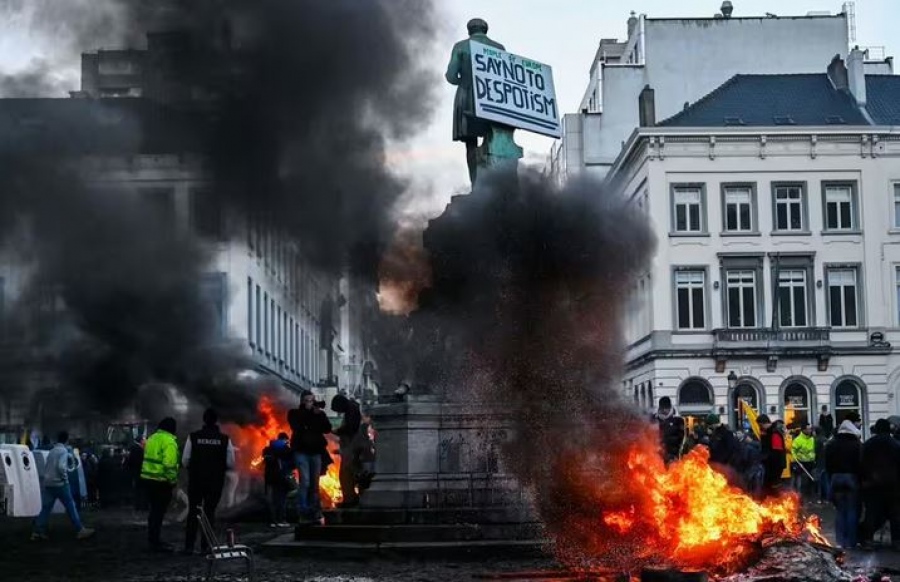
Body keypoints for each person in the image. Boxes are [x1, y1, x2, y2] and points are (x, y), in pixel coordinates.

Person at [445, 18, 506, 185]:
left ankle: (476, 185)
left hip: (466, 98)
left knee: (470, 144)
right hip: (493, 99)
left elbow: (451, 75)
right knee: (492, 140)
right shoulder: (499, 48)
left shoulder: (460, 46)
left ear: (469, 30)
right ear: (485, 30)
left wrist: (463, 81)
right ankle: (493, 185)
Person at [182, 408, 235, 555]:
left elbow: (185, 460)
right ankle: (206, 547)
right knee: (209, 513)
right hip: (215, 482)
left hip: (196, 481)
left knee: (193, 512)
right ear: (216, 420)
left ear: (204, 420)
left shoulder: (193, 437)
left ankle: (189, 547)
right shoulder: (225, 439)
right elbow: (230, 463)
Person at [31, 431, 95, 541]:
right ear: (66, 440)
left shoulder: (52, 451)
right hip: (60, 484)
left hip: (48, 484)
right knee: (71, 506)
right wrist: (65, 479)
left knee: (46, 509)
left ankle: (37, 531)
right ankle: (80, 530)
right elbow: (61, 467)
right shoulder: (63, 451)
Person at [287, 390, 332, 524]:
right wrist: (310, 414)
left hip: (316, 452)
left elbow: (327, 428)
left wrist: (318, 415)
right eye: (307, 400)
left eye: (312, 400)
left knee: (315, 484)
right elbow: (297, 427)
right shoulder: (294, 413)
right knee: (305, 482)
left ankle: (315, 511)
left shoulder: (318, 414)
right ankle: (303, 511)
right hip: (301, 451)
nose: (310, 403)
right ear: (302, 401)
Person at [859, 418, 900, 549]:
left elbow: (861, 463)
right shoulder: (895, 444)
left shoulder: (868, 444)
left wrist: (864, 480)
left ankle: (868, 540)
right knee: (895, 513)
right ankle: (897, 541)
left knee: (871, 512)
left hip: (872, 484)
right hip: (893, 484)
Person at [140, 417, 179, 552]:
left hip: (147, 480)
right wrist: (173, 480)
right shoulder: (169, 442)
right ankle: (155, 541)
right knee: (159, 512)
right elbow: (169, 464)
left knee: (153, 512)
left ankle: (152, 538)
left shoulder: (151, 439)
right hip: (161, 482)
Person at [825, 414, 863, 549]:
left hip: (836, 478)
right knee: (852, 510)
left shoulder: (832, 444)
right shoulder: (856, 444)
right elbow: (860, 463)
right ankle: (851, 541)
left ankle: (840, 542)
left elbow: (827, 463)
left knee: (840, 510)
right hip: (851, 477)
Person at [331, 393, 363, 508]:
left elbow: (350, 428)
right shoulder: (352, 408)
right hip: (350, 447)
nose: (339, 412)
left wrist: (337, 431)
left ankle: (349, 499)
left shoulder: (351, 410)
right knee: (348, 473)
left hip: (351, 447)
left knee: (345, 474)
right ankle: (351, 497)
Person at [262, 432, 293, 527]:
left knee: (271, 499)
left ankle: (272, 521)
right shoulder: (287, 449)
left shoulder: (267, 449)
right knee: (281, 499)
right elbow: (292, 463)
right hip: (281, 477)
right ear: (285, 439)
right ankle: (282, 520)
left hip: (269, 477)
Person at [706, 414, 741, 486]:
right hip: (716, 466)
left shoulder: (726, 433)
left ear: (713, 424)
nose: (709, 428)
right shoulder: (714, 434)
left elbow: (731, 449)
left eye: (710, 425)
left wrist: (726, 463)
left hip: (724, 465)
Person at [758, 415, 787, 497]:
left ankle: (776, 501)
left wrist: (765, 458)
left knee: (773, 486)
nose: (760, 427)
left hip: (775, 465)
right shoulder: (767, 433)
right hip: (769, 464)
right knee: (768, 485)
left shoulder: (774, 433)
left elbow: (777, 452)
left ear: (764, 423)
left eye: (760, 425)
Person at [791, 422, 817, 502]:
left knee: (812, 481)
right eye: (808, 429)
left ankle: (811, 498)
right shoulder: (797, 440)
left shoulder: (812, 439)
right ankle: (800, 498)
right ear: (803, 430)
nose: (810, 430)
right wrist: (796, 461)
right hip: (801, 463)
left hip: (811, 463)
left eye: (810, 429)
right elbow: (793, 451)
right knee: (801, 482)